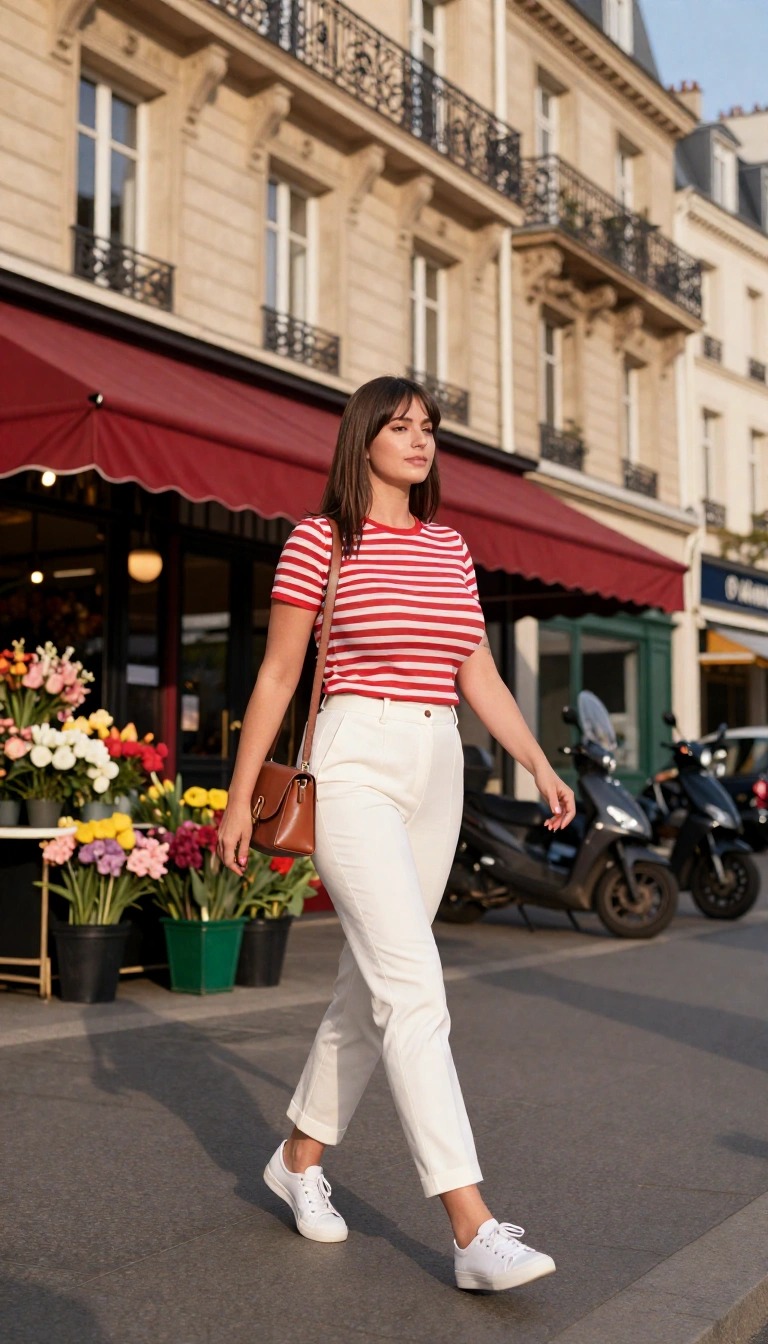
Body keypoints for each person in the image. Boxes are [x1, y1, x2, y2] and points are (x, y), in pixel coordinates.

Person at [217, 376, 576, 1292]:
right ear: (363, 440)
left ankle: (297, 1159)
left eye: (429, 427)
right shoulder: (320, 541)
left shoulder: (450, 547)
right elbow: (278, 675)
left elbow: (476, 671)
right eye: (401, 425)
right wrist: (236, 798)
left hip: (436, 762)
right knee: (414, 987)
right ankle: (471, 1227)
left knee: (369, 985)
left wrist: (537, 761)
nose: (421, 440)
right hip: (353, 760)